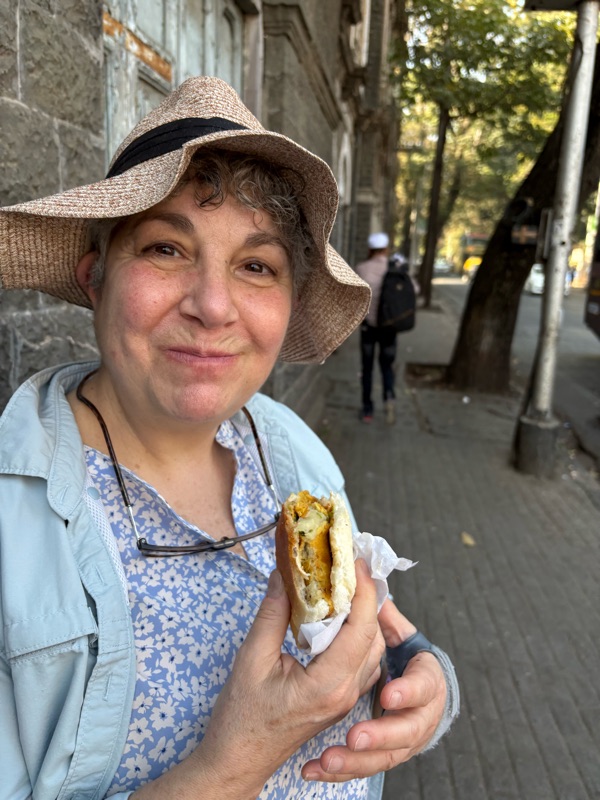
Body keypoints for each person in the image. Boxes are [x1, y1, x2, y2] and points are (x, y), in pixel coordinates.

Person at [0, 76, 458, 800]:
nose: (213, 307)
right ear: (96, 278)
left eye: (256, 266)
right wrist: (234, 764)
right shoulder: (12, 523)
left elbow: (368, 620)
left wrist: (420, 674)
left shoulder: (289, 445)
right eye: (165, 249)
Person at [355, 233, 400, 425]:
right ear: (386, 249)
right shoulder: (395, 268)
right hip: (389, 328)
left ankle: (367, 409)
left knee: (367, 368)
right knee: (387, 366)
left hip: (368, 327)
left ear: (370, 249)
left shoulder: (362, 268)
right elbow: (414, 290)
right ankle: (389, 398)